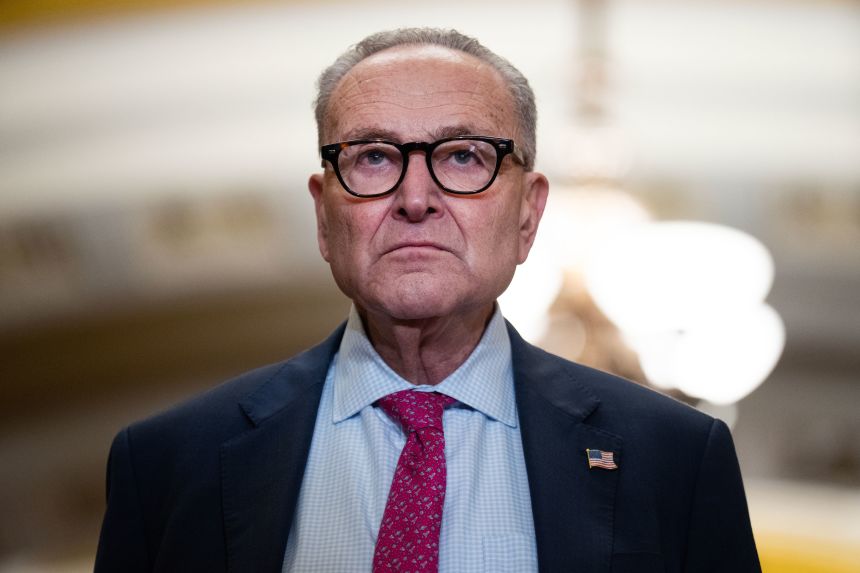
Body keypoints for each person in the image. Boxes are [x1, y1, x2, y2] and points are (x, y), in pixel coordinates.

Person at [94, 28, 761, 573]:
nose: (416, 199)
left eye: (466, 156)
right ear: (324, 216)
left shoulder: (676, 458)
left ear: (528, 216)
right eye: (375, 157)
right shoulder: (168, 464)